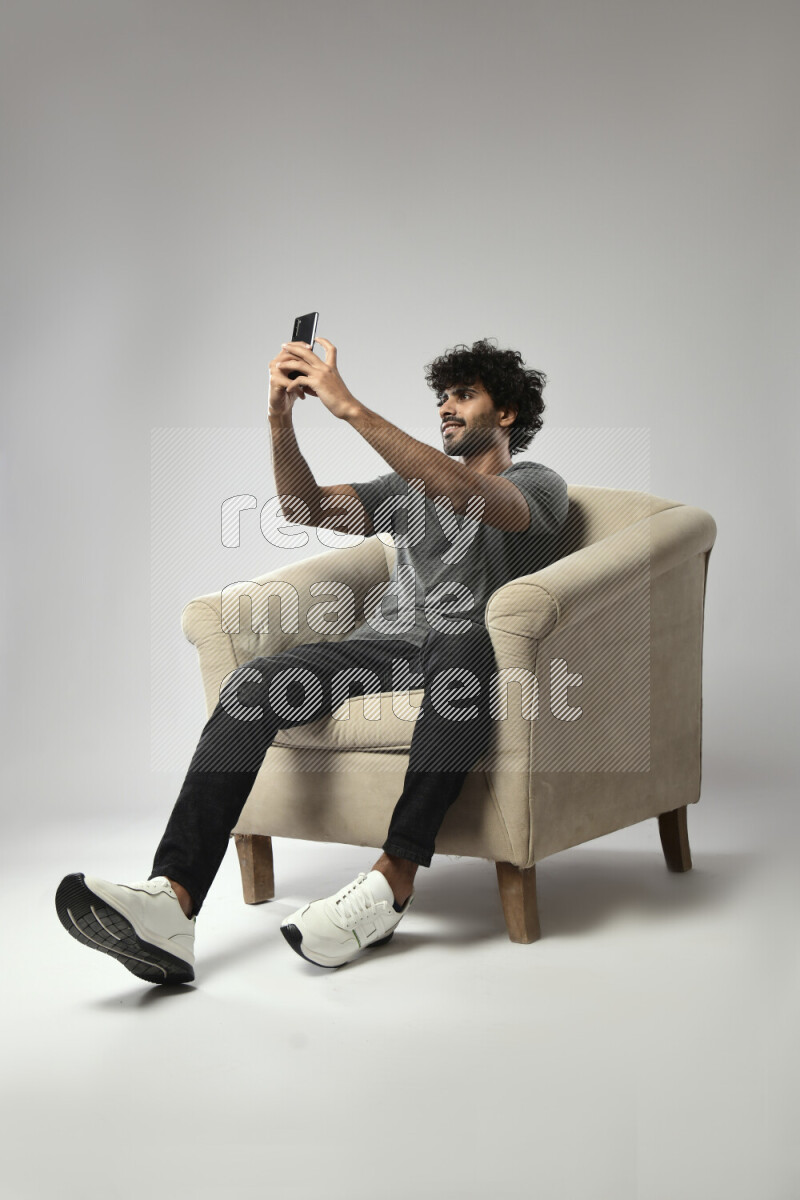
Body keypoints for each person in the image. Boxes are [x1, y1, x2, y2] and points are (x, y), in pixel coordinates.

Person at [55, 335, 568, 984]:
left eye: (463, 396)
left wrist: (349, 407)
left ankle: (392, 882)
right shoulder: (407, 489)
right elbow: (302, 506)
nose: (445, 408)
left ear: (507, 415)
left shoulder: (538, 485)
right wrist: (280, 421)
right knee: (254, 682)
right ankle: (173, 902)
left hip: (470, 652)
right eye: (441, 397)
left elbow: (471, 496)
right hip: (387, 648)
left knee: (467, 643)